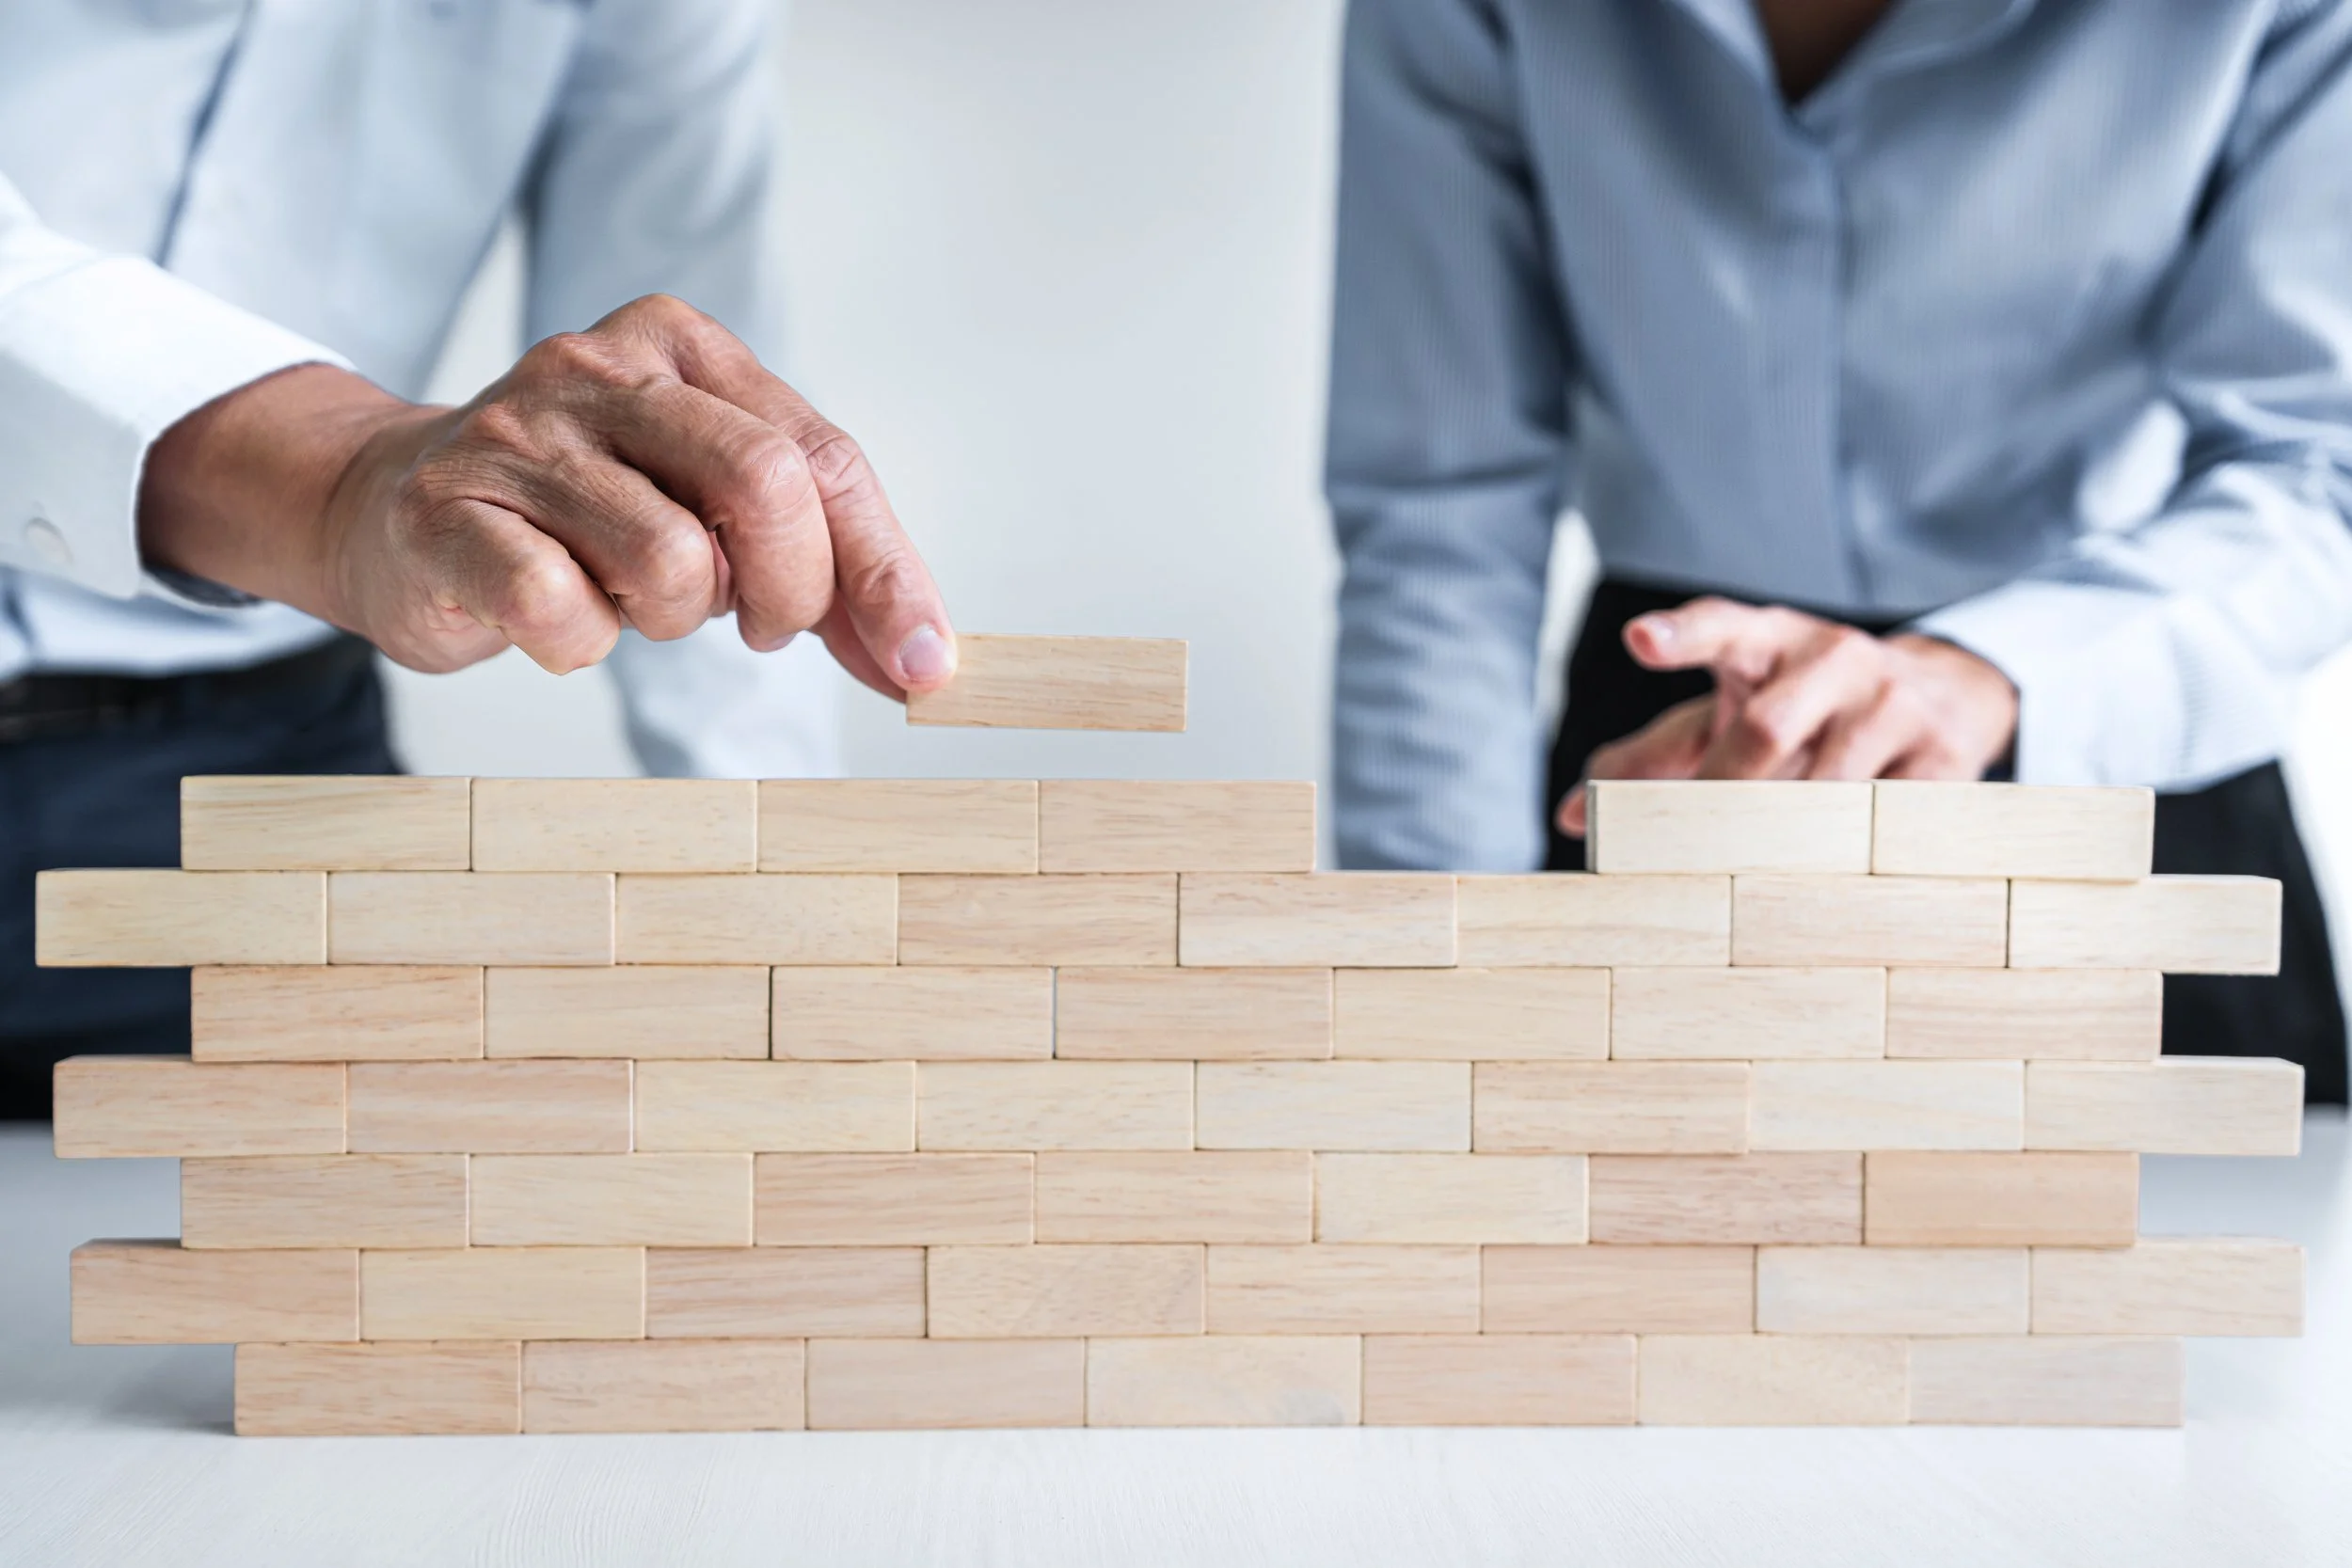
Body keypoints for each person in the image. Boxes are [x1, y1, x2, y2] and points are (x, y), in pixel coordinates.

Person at [1325, 0, 2352, 1099]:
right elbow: (1442, 508)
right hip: (1682, 741)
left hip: (2112, 741)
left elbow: (2319, 461)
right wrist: (1431, 963)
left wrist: (1990, 674)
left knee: (2215, 1250)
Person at [0, 0, 957, 1116]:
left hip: (265, 796)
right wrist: (344, 479)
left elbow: (683, 426)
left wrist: (780, 904)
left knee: (357, 1245)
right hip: (283, 701)